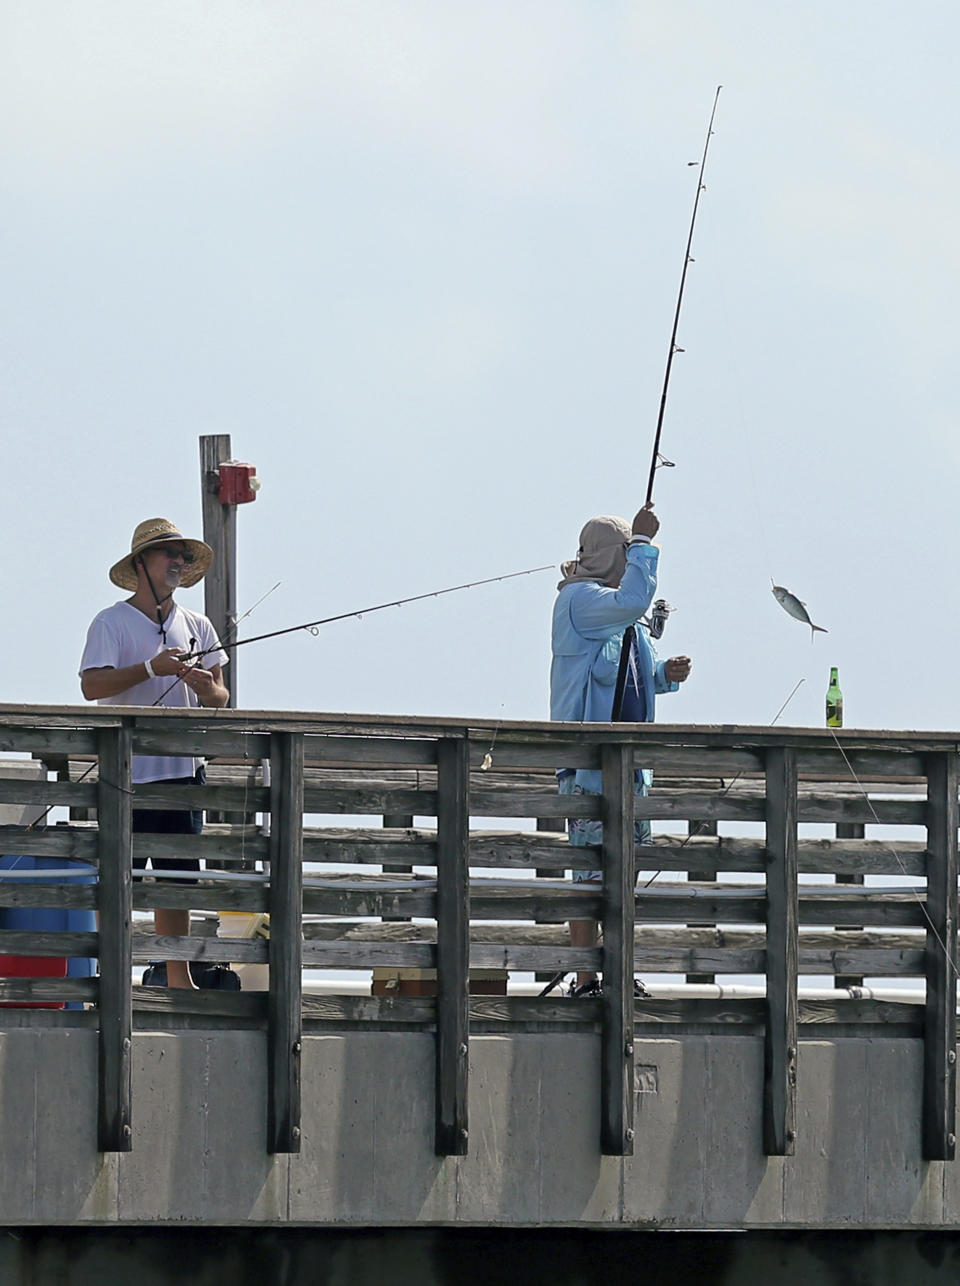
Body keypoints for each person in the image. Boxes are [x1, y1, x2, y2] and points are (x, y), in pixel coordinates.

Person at [79, 518, 229, 989]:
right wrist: (150, 668)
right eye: (170, 554)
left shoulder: (198, 625)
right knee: (118, 877)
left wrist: (205, 687)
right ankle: (110, 973)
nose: (179, 563)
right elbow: (91, 685)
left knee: (178, 880)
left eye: (183, 556)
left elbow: (221, 698)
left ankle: (178, 976)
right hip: (126, 772)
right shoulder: (111, 621)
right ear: (141, 563)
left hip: (184, 771)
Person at [550, 505, 691, 996]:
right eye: (626, 549)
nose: (631, 556)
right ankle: (586, 977)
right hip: (589, 768)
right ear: (615, 553)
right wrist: (647, 544)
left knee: (625, 878)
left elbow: (633, 674)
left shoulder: (618, 613)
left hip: (631, 768)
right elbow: (635, 600)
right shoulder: (581, 601)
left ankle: (618, 973)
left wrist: (664, 676)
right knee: (589, 875)